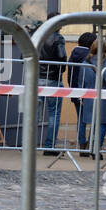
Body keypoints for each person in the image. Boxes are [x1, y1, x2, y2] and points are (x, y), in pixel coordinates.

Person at [36, 16, 67, 156]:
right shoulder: (58, 38)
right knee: (54, 113)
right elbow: (61, 57)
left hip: (35, 78)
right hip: (52, 79)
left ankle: (28, 145)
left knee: (33, 113)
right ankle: (49, 146)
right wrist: (60, 72)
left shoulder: (36, 35)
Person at [67, 32, 98, 156]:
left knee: (81, 119)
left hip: (75, 90)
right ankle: (90, 143)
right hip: (89, 91)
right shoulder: (89, 56)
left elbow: (69, 73)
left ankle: (81, 144)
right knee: (95, 119)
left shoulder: (73, 53)